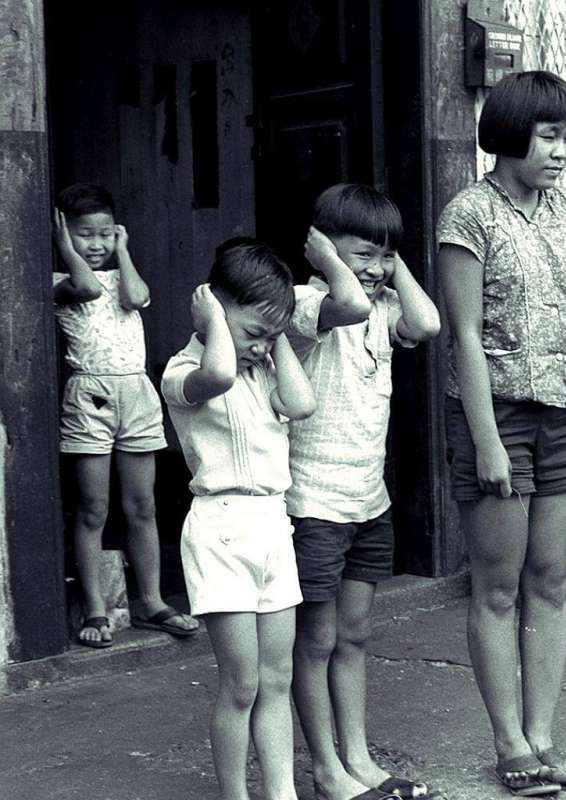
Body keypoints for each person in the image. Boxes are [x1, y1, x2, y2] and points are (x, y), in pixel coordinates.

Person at [437, 70, 566, 796]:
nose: (561, 152)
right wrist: (486, 441)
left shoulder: (565, 211)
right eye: (548, 137)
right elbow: (464, 337)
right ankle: (508, 743)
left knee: (548, 578)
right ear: (509, 134)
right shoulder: (468, 215)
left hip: (563, 410)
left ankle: (542, 739)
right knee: (497, 586)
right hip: (496, 412)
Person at [287, 184, 441, 800]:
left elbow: (427, 322)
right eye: (364, 254)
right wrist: (328, 260)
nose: (375, 271)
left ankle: (358, 759)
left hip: (366, 503)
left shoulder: (381, 308)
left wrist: (389, 259)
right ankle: (326, 769)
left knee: (353, 637)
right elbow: (346, 302)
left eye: (385, 257)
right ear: (322, 247)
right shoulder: (304, 303)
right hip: (314, 504)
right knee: (317, 639)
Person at [161, 238, 316, 800]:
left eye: (269, 337)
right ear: (214, 311)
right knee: (242, 684)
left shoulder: (262, 371)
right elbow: (220, 371)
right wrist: (214, 325)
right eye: (253, 334)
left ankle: (282, 793)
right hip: (220, 529)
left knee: (278, 679)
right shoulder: (185, 372)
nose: (259, 348)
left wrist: (275, 343)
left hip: (273, 524)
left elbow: (301, 405)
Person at [52, 182, 199, 648]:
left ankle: (153, 601)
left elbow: (134, 296)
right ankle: (97, 609)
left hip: (136, 391)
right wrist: (61, 248)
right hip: (89, 395)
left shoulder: (122, 274)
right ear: (63, 234)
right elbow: (87, 288)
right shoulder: (58, 280)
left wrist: (126, 251)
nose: (95, 245)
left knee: (143, 506)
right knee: (93, 507)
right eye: (82, 235)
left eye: (104, 234)